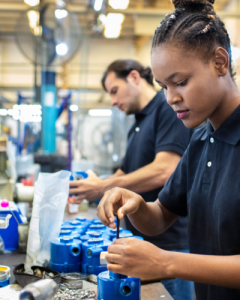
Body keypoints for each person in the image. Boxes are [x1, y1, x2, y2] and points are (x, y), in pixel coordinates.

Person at [96, 0, 240, 299]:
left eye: (181, 83)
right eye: (163, 86)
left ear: (220, 62)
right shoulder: (201, 140)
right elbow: (161, 215)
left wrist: (166, 262)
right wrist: (135, 205)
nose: (171, 98)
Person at [69, 59, 193, 299]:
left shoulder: (168, 111)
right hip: (142, 242)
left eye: (114, 91)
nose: (113, 101)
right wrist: (97, 189)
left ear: (135, 77)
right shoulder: (137, 124)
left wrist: (103, 186)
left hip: (169, 245)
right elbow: (124, 173)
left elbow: (164, 169)